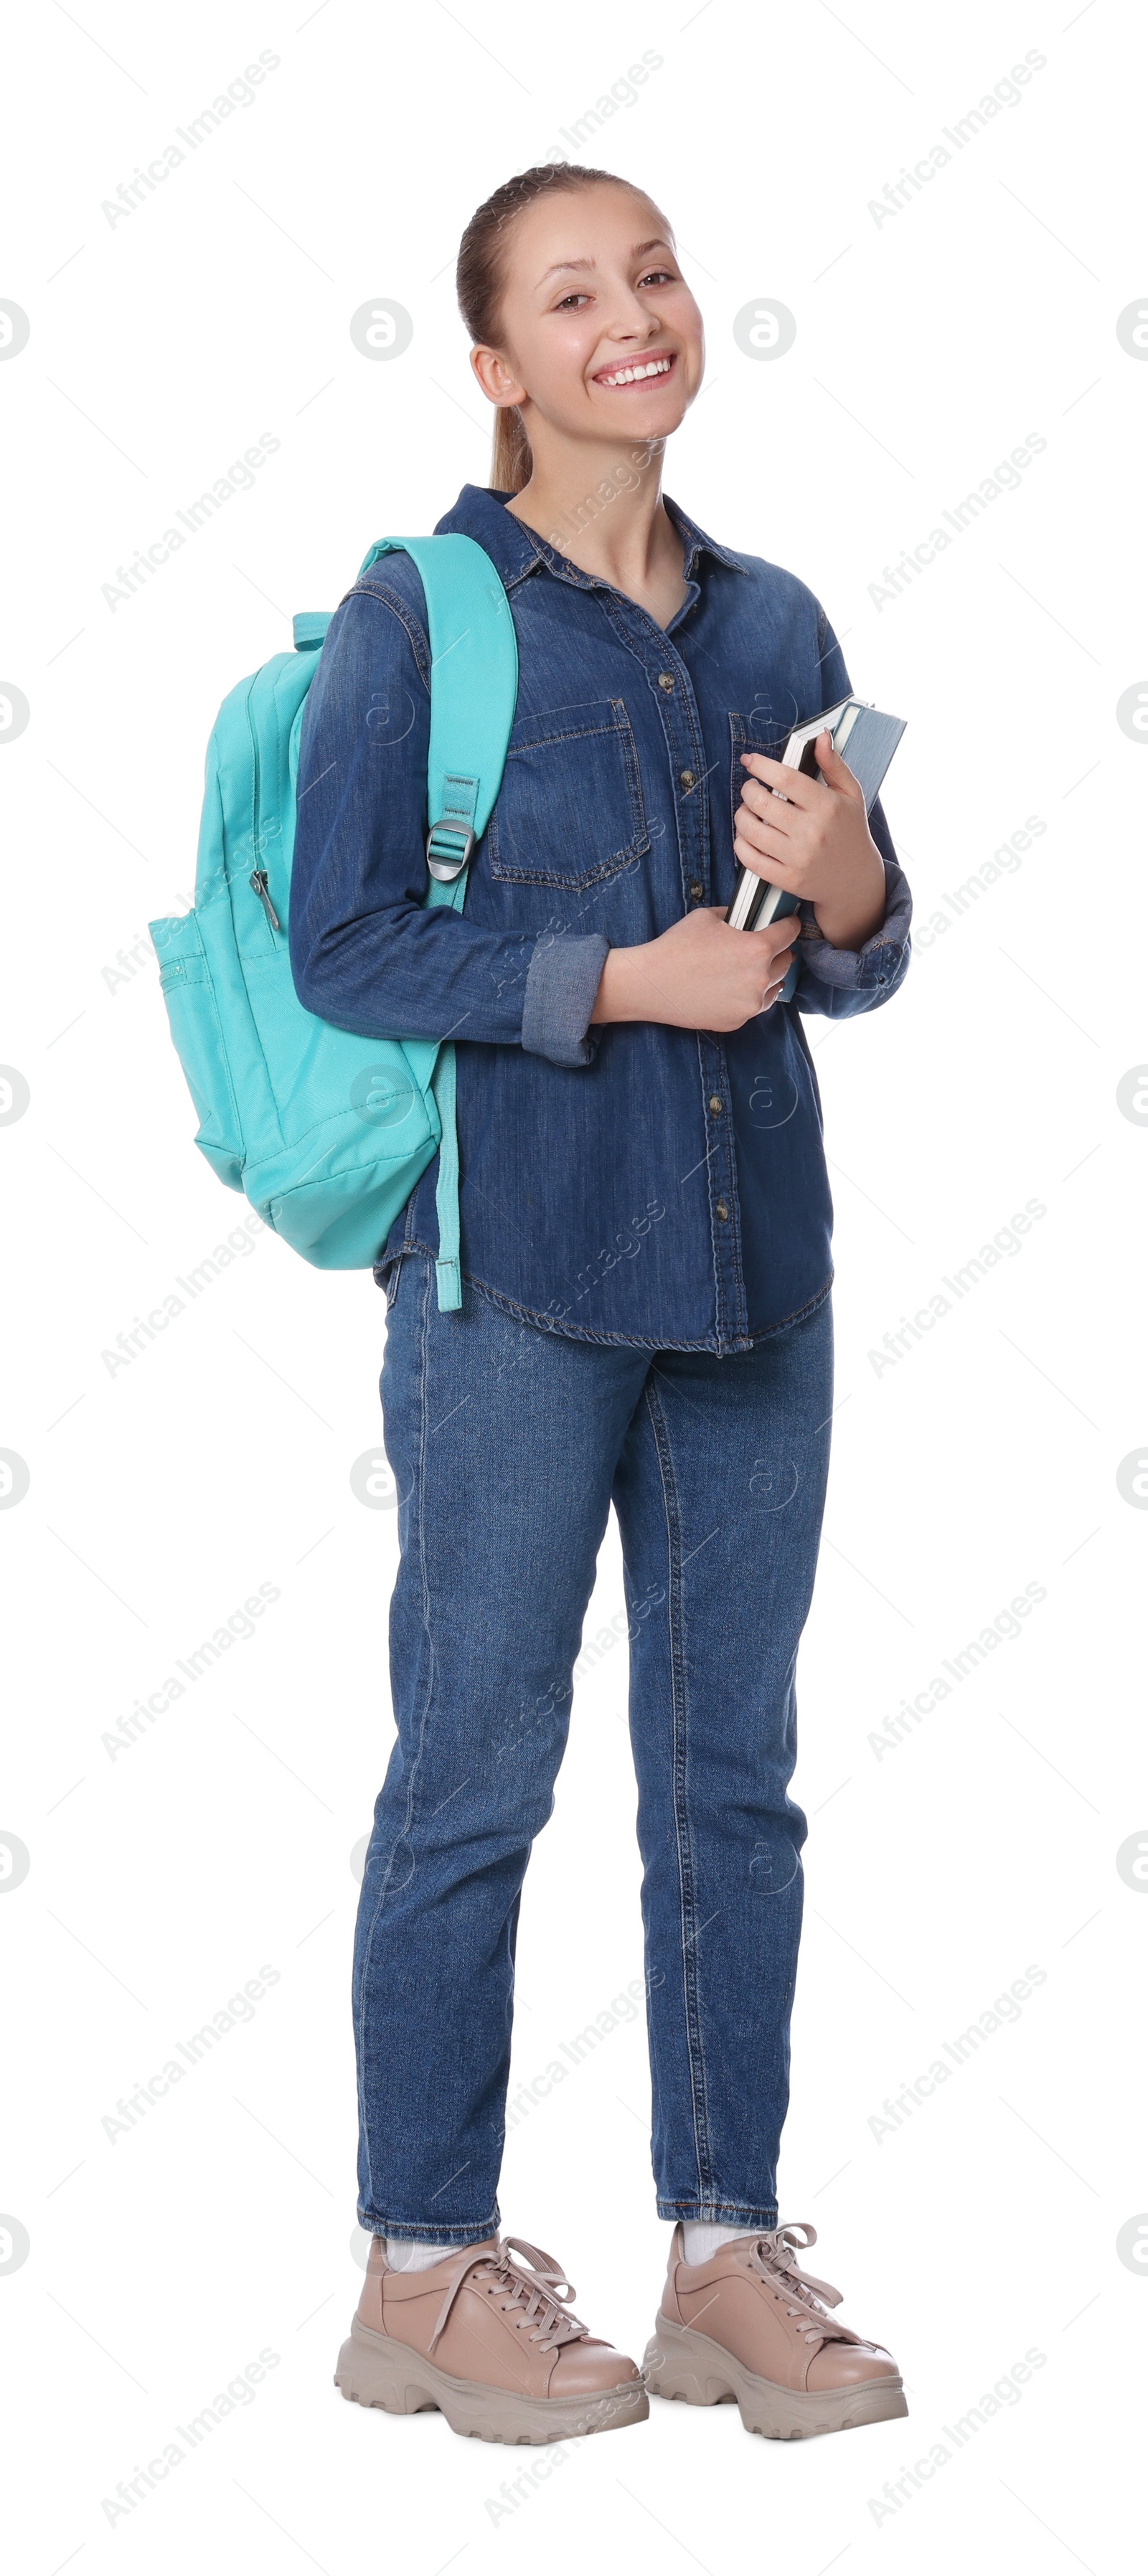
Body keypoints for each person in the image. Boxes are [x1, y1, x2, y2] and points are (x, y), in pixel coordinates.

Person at [289, 162, 913, 2447]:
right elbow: (344, 943)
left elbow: (850, 950)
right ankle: (425, 2268)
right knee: (474, 1778)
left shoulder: (773, 625)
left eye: (650, 271)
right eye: (573, 293)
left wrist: (857, 897)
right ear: (496, 366)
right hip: (516, 1287)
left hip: (762, 1285)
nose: (632, 313)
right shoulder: (425, 619)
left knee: (731, 1789)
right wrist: (616, 982)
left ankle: (722, 2257)